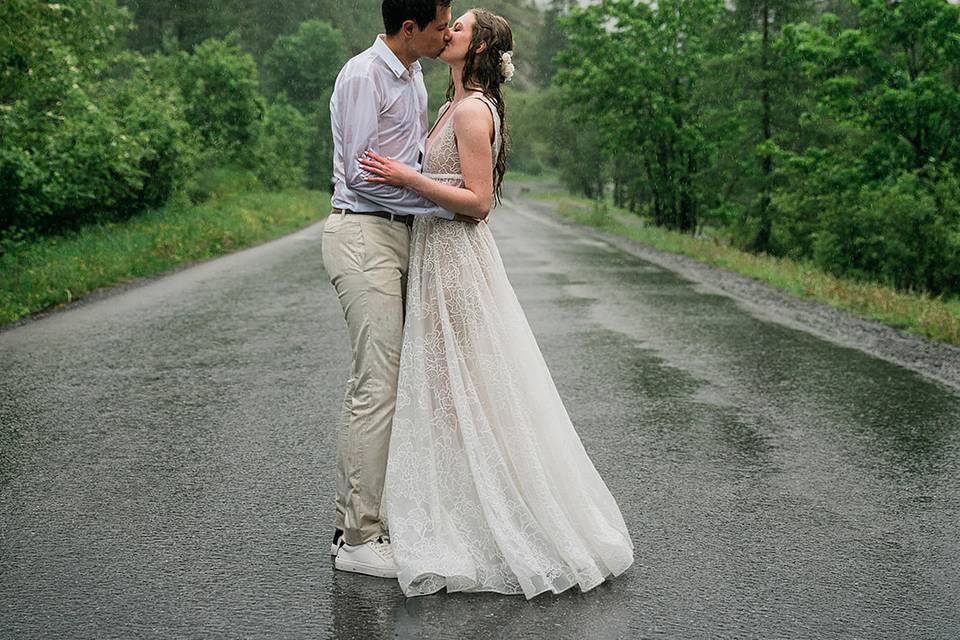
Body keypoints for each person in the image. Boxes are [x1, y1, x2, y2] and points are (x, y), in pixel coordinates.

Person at [360, 9, 635, 599]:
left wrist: (406, 180)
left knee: (462, 392)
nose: (448, 32)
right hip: (440, 256)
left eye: (458, 27)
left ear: (479, 46)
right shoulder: (452, 106)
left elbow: (478, 201)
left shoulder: (468, 111)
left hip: (457, 260)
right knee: (448, 392)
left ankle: (488, 521)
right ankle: (463, 514)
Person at [322, 0, 464, 579]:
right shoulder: (363, 75)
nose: (448, 32)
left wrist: (435, 207)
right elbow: (360, 173)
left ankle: (371, 520)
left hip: (401, 233)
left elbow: (408, 162)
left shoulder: (415, 77)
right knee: (375, 383)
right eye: (440, 24)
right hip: (361, 234)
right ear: (411, 27)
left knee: (399, 380)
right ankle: (357, 537)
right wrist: (446, 208)